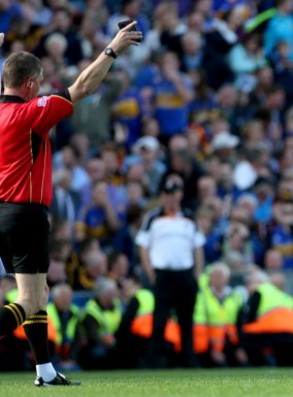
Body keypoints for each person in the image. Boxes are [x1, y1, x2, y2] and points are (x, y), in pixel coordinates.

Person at [0, 24, 141, 386]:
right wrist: (111, 49)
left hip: (2, 214)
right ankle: (45, 372)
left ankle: (45, 372)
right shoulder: (30, 113)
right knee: (31, 301)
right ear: (32, 85)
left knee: (38, 293)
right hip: (25, 213)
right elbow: (82, 87)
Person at [136, 174, 206, 368]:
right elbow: (143, 246)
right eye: (168, 194)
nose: (172, 198)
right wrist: (151, 272)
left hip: (185, 273)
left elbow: (198, 247)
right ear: (162, 196)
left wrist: (197, 274)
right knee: (160, 318)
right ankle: (156, 359)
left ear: (181, 195)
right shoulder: (153, 218)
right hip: (163, 274)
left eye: (175, 193)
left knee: (186, 319)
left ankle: (188, 357)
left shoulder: (190, 218)